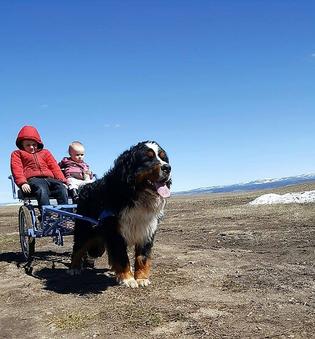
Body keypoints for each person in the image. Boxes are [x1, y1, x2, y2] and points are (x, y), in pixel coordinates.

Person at [10, 125, 68, 214]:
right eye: (28, 145)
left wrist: (63, 180)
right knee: (41, 188)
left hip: (50, 179)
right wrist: (23, 183)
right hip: (33, 180)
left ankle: (66, 216)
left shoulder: (45, 152)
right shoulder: (18, 154)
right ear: (22, 145)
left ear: (38, 143)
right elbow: (17, 169)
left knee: (61, 188)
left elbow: (54, 167)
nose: (32, 147)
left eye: (34, 144)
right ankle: (46, 217)